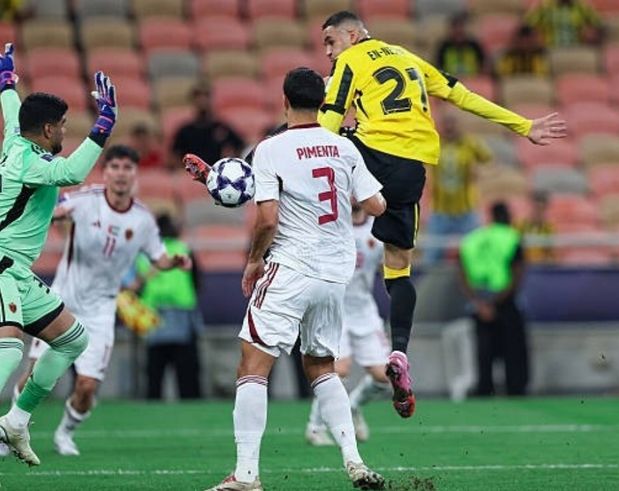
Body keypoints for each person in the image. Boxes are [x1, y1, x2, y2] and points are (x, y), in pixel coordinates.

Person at [318, 10, 566, 418]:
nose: (328, 51)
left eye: (331, 41)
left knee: (315, 152)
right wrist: (522, 125)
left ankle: (264, 188)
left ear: (353, 35)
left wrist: (290, 142)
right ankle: (399, 351)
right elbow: (462, 96)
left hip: (371, 153)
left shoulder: (350, 61)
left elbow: (327, 125)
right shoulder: (409, 58)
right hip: (412, 169)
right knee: (398, 266)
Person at [185, 67, 387, 491]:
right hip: (335, 274)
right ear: (323, 103)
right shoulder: (343, 146)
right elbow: (376, 205)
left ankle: (246, 476)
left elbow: (267, 219)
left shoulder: (270, 149)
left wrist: (254, 260)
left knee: (252, 365)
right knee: (321, 367)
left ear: (284, 101)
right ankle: (354, 461)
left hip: (292, 267)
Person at [11, 145, 191, 457]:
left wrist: (173, 262)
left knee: (87, 387)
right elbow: (52, 209)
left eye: (127, 168)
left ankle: (65, 433)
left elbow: (158, 257)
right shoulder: (84, 200)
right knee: (34, 373)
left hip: (101, 310)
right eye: (115, 167)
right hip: (62, 302)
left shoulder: (143, 219)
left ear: (135, 174)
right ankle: (11, 429)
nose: (121, 174)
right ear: (105, 172)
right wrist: (47, 215)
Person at [0, 43, 117, 465]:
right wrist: (104, 125)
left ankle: (16, 422)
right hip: (0, 266)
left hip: (17, 272)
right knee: (10, 346)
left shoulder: (16, 139)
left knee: (72, 340)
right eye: (64, 126)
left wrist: (6, 80)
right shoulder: (30, 164)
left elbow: (10, 110)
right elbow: (71, 172)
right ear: (48, 129)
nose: (66, 132)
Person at [305, 202, 390, 446]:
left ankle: (352, 406)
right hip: (334, 308)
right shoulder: (331, 225)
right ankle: (315, 427)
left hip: (364, 310)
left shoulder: (378, 230)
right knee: (338, 370)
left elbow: (389, 266)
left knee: (385, 377)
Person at [458, 202, 529, 396]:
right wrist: (495, 303)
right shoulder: (511, 237)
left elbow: (462, 273)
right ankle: (515, 388)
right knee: (513, 348)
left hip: (479, 300)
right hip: (504, 299)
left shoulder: (472, 239)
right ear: (508, 216)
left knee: (483, 349)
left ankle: (484, 388)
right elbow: (517, 273)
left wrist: (478, 303)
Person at [137, 213, 203, 400]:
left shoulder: (145, 255)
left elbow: (138, 286)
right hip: (182, 316)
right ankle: (191, 408)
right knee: (187, 376)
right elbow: (197, 281)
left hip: (153, 317)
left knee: (154, 374)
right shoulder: (184, 249)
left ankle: (153, 406)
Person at [424, 110, 492, 265]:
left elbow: (491, 163)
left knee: (477, 252)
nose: (449, 126)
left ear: (460, 124)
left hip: (466, 210)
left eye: (453, 122)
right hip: (440, 209)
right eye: (446, 123)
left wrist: (480, 172)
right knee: (432, 255)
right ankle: (428, 280)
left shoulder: (471, 144)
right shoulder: (433, 143)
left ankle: (479, 278)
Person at [171, 82, 244, 169]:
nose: (202, 100)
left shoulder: (222, 128)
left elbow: (240, 146)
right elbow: (174, 155)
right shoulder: (185, 131)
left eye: (206, 96)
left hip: (216, 172)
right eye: (198, 96)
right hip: (193, 174)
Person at [525, 0, 603, 48]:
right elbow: (527, 24)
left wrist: (592, 35)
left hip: (576, 49)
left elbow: (598, 24)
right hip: (552, 49)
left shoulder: (581, 6)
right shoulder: (545, 6)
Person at [435, 12, 487, 77]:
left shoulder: (474, 46)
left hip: (473, 79)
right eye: (456, 28)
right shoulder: (444, 47)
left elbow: (483, 66)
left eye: (460, 28)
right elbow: (439, 67)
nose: (458, 31)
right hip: (451, 79)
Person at [518, 190, 554, 263]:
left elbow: (551, 254)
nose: (538, 212)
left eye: (541, 209)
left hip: (541, 267)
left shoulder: (548, 228)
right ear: (531, 207)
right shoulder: (520, 226)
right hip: (524, 266)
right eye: (536, 208)